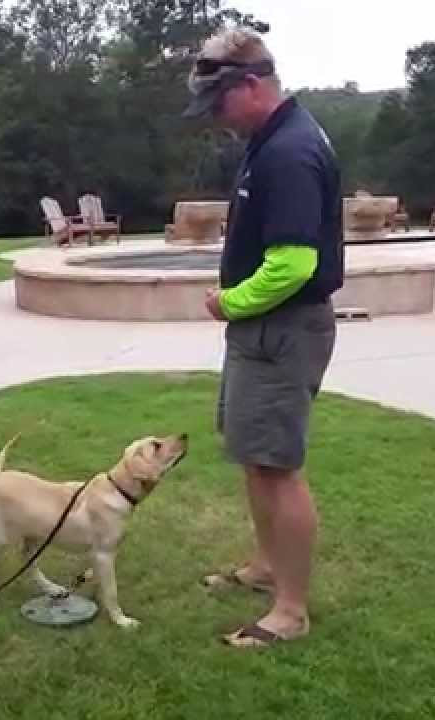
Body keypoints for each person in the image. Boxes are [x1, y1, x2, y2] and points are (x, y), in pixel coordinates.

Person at [181, 27, 344, 649]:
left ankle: (291, 611)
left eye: (219, 105)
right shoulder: (269, 137)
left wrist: (231, 301)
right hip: (263, 330)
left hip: (282, 328)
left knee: (279, 467)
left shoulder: (290, 152)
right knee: (256, 454)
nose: (216, 120)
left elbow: (294, 264)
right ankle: (266, 565)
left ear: (249, 86)